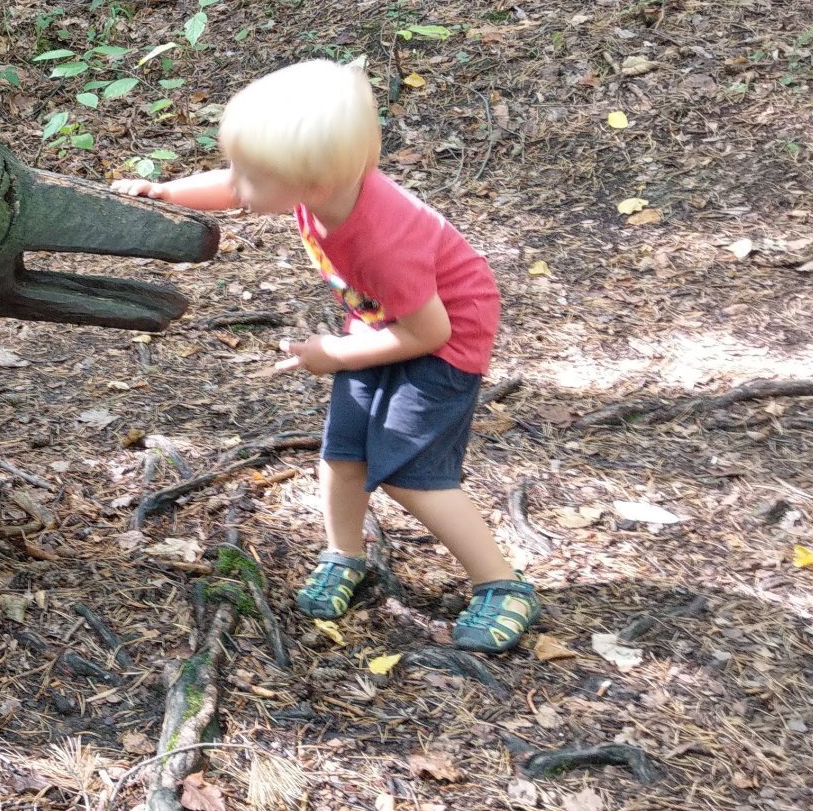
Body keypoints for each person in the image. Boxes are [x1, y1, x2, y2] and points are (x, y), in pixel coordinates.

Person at [111, 59, 540, 653]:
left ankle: (501, 585)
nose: (237, 182)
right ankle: (346, 556)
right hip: (381, 326)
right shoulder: (318, 185)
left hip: (441, 343)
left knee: (413, 478)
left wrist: (336, 355)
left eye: (249, 172)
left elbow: (430, 332)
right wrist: (162, 192)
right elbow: (233, 188)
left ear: (308, 185)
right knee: (343, 454)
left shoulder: (382, 241)